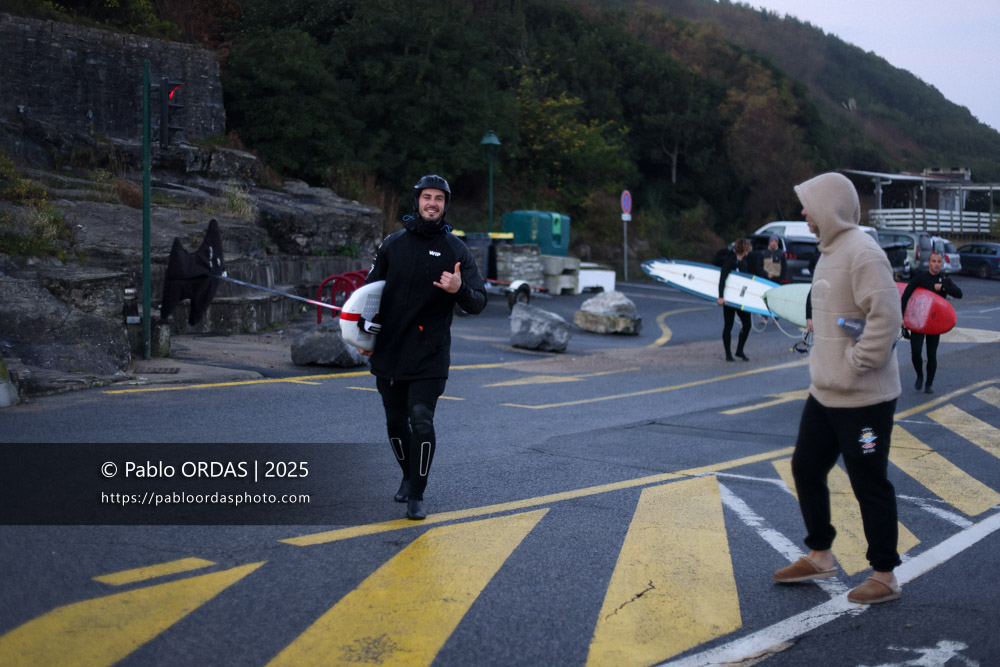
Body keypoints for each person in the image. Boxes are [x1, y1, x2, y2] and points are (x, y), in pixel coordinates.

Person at [773, 172, 904, 605]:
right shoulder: (828, 252)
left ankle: (884, 575)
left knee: (869, 482)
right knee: (806, 468)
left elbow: (886, 320)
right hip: (825, 394)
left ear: (828, 207)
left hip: (864, 399)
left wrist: (854, 364)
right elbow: (842, 318)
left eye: (809, 205)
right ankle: (820, 554)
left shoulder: (864, 253)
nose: (804, 213)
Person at [360, 175, 487, 520]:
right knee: (395, 424)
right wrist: (363, 328)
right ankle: (407, 474)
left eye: (439, 199)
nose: (432, 203)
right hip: (389, 350)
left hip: (429, 354)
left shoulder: (456, 251)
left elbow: (478, 302)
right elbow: (369, 293)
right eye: (427, 197)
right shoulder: (393, 244)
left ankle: (417, 493)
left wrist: (458, 288)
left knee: (421, 419)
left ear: (446, 205)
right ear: (416, 201)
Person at [901, 252, 962, 394]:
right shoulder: (920, 278)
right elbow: (906, 297)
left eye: (939, 261)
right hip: (919, 321)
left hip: (935, 323)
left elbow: (959, 294)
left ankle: (929, 384)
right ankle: (920, 376)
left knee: (931, 354)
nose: (936, 264)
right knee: (916, 352)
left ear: (941, 263)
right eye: (933, 261)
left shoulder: (945, 280)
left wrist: (943, 288)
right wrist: (903, 318)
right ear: (929, 262)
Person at [717, 238, 752, 361]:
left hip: (740, 300)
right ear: (744, 248)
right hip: (729, 299)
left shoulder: (744, 263)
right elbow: (722, 278)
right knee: (728, 325)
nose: (749, 250)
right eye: (748, 248)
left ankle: (739, 351)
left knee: (747, 325)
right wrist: (721, 297)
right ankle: (728, 354)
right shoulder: (730, 261)